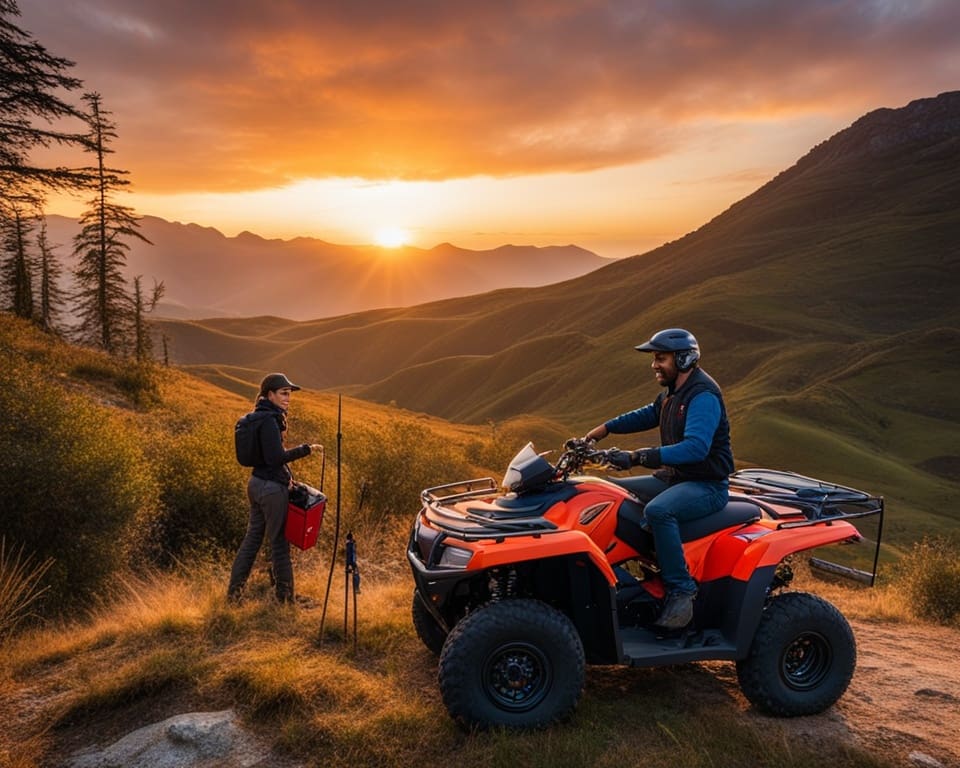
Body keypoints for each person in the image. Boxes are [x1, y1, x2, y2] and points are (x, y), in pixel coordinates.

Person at [582, 329, 734, 630]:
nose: (654, 365)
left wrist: (639, 457)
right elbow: (648, 414)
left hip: (706, 485)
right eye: (654, 358)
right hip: (674, 479)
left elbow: (696, 448)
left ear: (684, 358)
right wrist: (604, 429)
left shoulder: (703, 395)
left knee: (658, 511)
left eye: (660, 358)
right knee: (606, 492)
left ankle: (680, 590)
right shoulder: (673, 392)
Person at [228, 373, 322, 604]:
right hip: (271, 490)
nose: (288, 398)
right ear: (270, 395)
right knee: (279, 545)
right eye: (283, 393)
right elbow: (275, 457)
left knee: (251, 541)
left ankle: (233, 596)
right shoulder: (270, 420)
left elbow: (267, 459)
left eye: (289, 393)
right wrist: (306, 449)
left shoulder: (256, 418)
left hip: (256, 484)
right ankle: (286, 600)